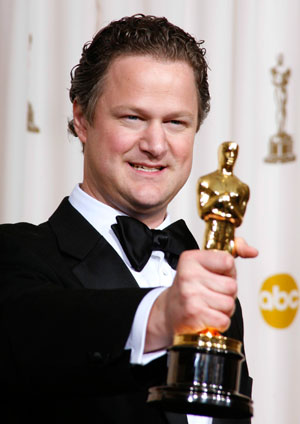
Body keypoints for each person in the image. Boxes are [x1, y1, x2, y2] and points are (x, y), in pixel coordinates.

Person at [0, 14, 257, 424]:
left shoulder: (213, 293)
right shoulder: (15, 255)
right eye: (133, 118)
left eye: (175, 122)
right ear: (82, 120)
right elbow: (34, 333)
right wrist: (161, 314)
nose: (156, 145)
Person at [197, 142, 250, 255]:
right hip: (213, 228)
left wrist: (229, 205)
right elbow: (203, 210)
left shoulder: (241, 187)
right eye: (227, 152)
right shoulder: (206, 181)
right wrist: (220, 199)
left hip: (229, 233)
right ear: (220, 153)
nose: (231, 156)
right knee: (208, 257)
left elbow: (239, 217)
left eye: (234, 153)